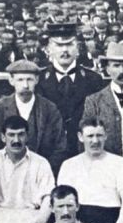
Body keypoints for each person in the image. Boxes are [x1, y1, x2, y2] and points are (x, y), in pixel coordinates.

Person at [36, 22, 106, 167]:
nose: (65, 50)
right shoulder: (39, 80)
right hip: (48, 154)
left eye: (69, 45)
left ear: (78, 48)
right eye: (59, 45)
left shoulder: (93, 79)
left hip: (85, 153)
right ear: (49, 49)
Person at [0, 59, 68, 163]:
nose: (25, 85)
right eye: (20, 80)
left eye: (29, 80)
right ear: (11, 81)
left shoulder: (49, 108)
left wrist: (43, 170)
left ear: (36, 80)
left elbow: (60, 147)